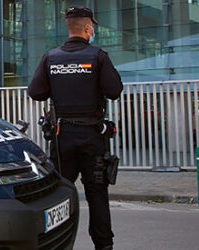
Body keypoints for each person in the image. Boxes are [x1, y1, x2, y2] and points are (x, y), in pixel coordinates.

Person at [28, 5, 123, 250]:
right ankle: (103, 246)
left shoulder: (51, 57)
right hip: (92, 137)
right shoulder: (98, 56)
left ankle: (55, 242)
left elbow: (36, 92)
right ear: (88, 28)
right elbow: (114, 91)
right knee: (97, 195)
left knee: (58, 195)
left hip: (62, 138)